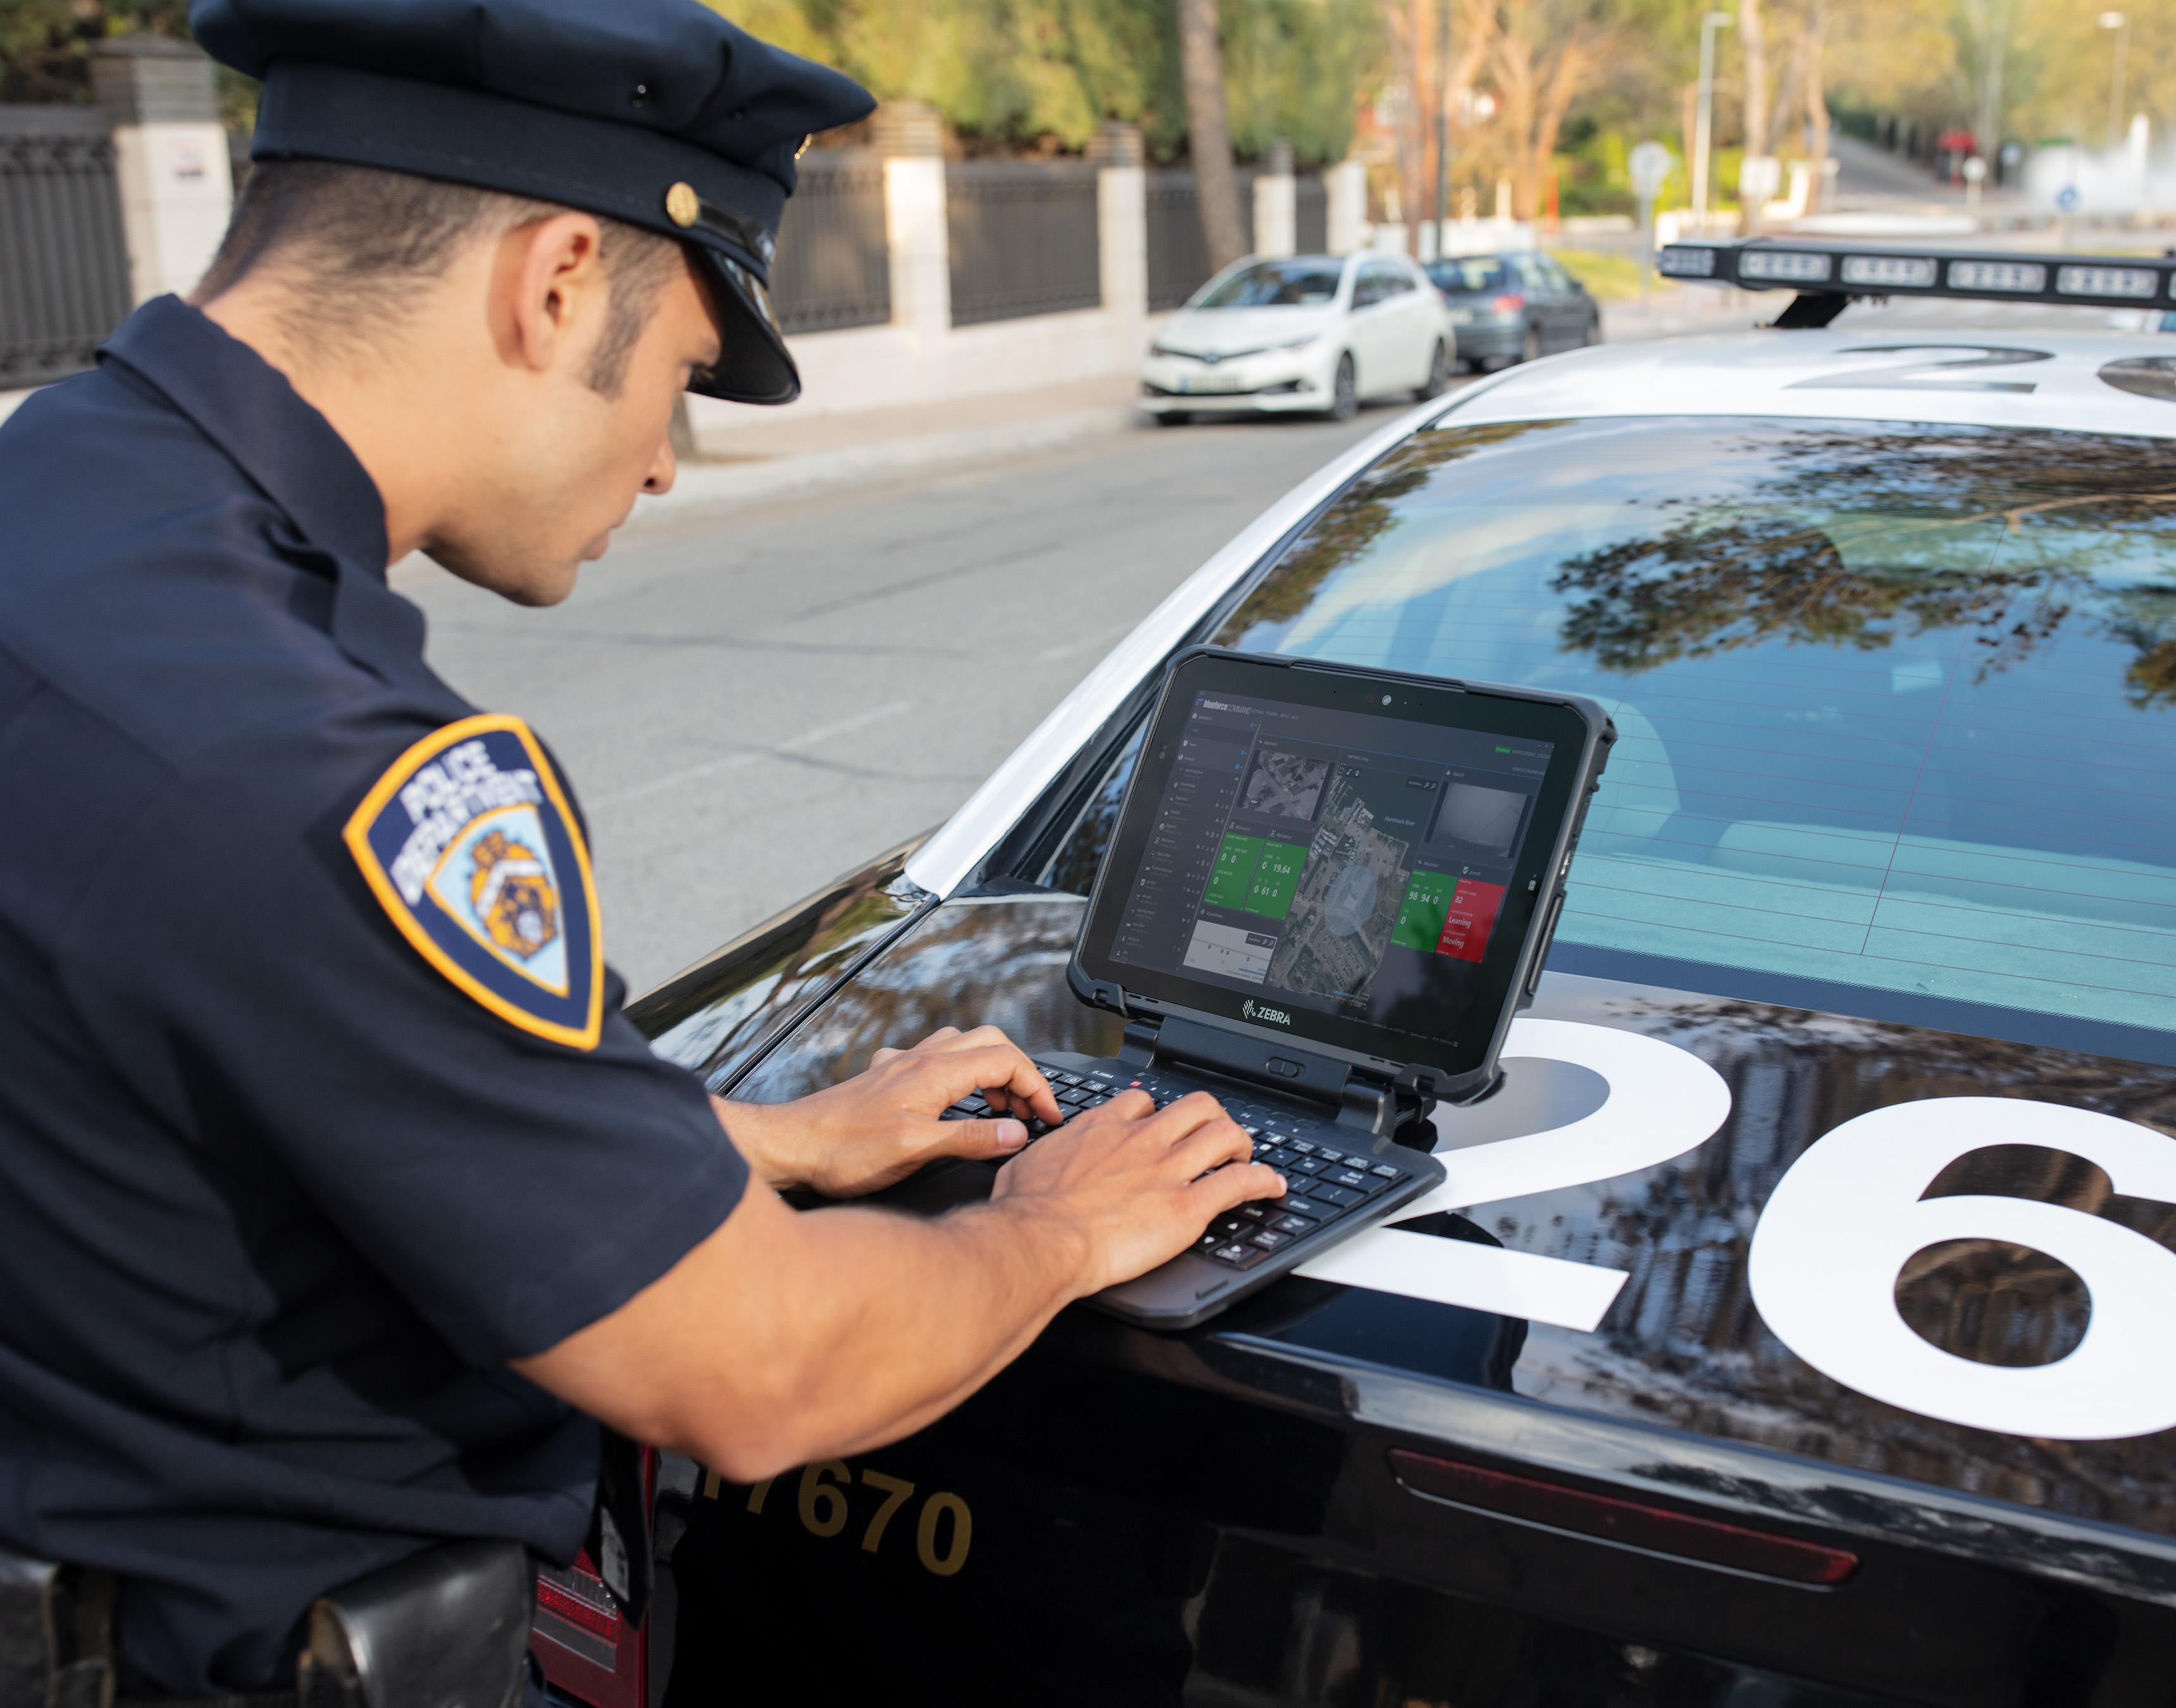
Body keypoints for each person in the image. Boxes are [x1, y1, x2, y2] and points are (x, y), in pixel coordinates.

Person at [0, 0, 1284, 1698]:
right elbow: (759, 1374)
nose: (670, 460)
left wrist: (745, 1138)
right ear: (550, 286)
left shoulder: (63, 502)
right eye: (683, 370)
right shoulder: (320, 760)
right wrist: (1049, 1228)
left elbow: (243, 1060)